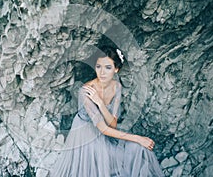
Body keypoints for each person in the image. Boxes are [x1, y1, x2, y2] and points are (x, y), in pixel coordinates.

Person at [50, 45, 164, 177]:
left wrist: (99, 102)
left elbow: (113, 124)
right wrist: (138, 138)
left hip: (106, 131)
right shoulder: (86, 91)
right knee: (104, 157)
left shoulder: (117, 86)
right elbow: (104, 128)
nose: (102, 72)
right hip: (86, 133)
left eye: (108, 67)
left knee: (139, 149)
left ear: (116, 69)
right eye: (99, 67)